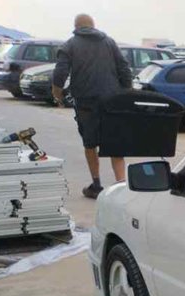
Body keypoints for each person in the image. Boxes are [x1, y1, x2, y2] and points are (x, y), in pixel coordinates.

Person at [52, 14, 132, 199]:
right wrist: (126, 92)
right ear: (93, 25)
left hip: (86, 102)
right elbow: (124, 68)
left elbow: (60, 73)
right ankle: (120, 186)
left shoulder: (70, 44)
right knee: (115, 143)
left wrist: (58, 95)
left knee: (90, 144)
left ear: (76, 26)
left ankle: (96, 185)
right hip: (112, 101)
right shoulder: (110, 42)